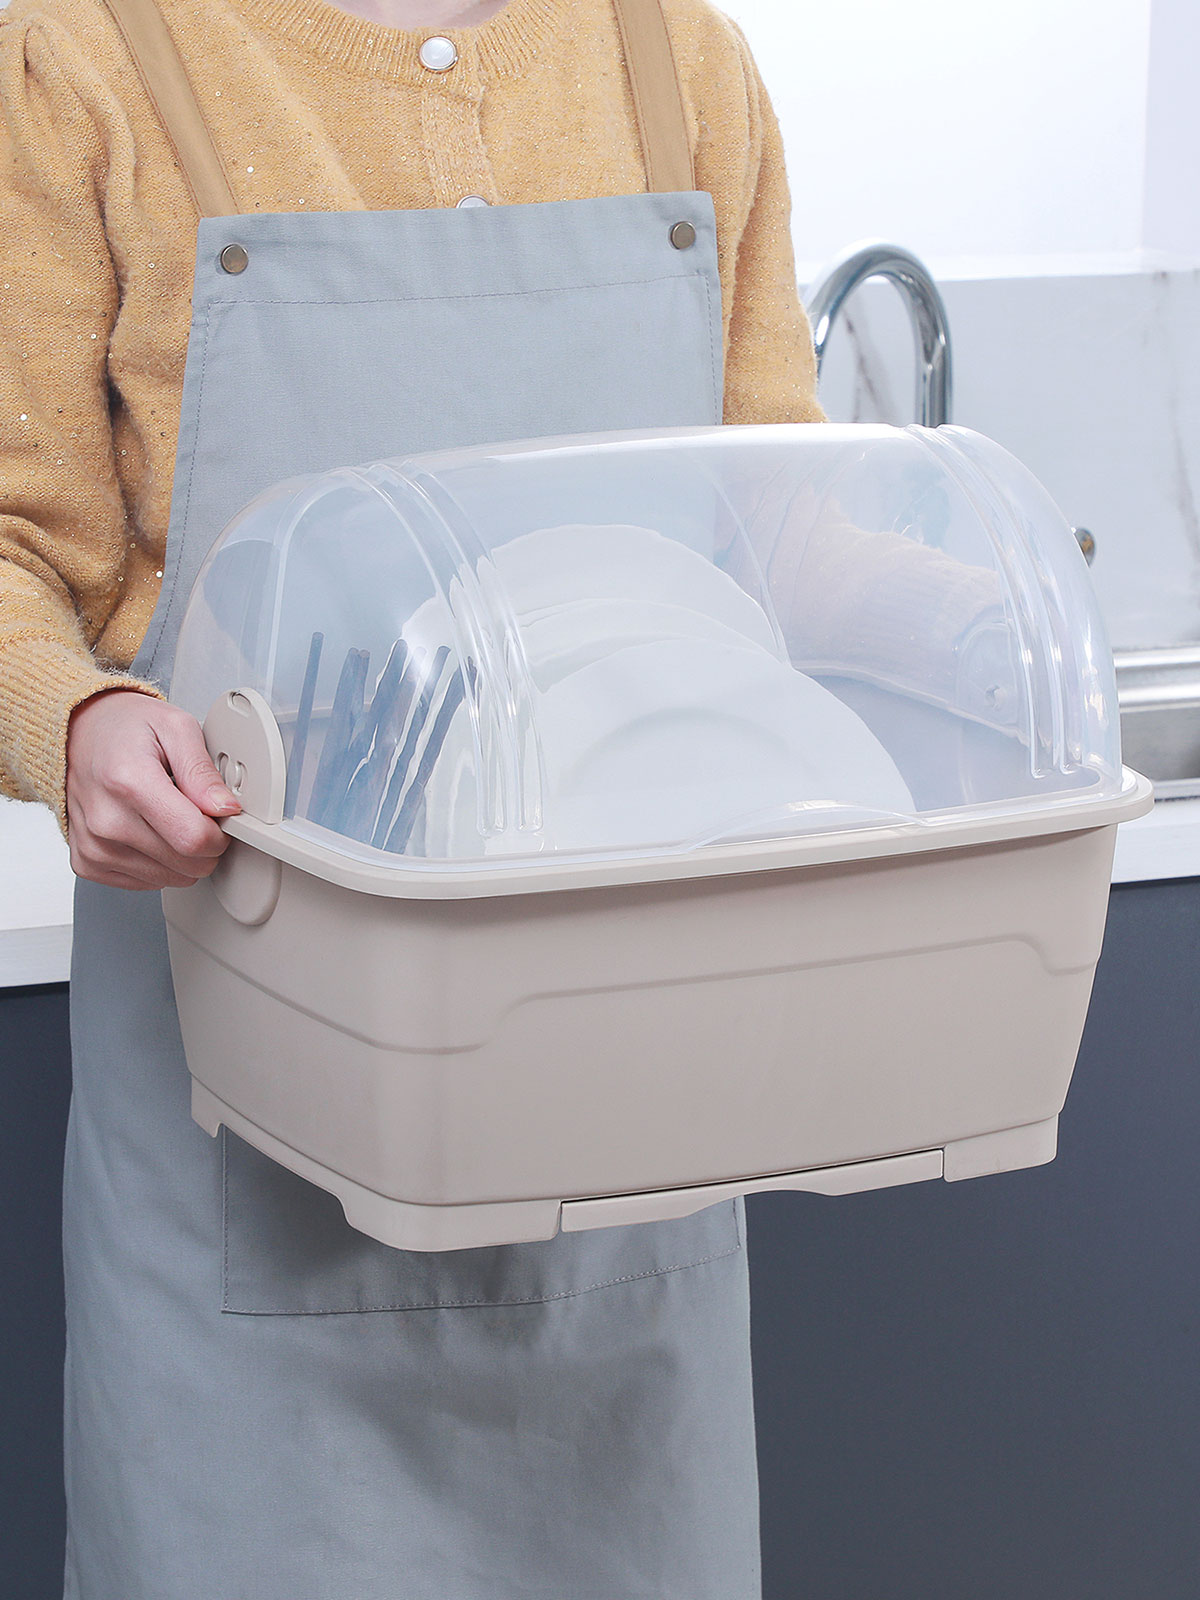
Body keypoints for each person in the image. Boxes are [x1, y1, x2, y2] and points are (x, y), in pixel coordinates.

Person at [0, 0, 823, 1593]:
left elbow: (772, 514)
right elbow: (16, 545)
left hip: (627, 1175)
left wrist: (958, 619)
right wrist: (75, 718)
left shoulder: (676, 58)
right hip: (243, 1212)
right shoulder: (85, 56)